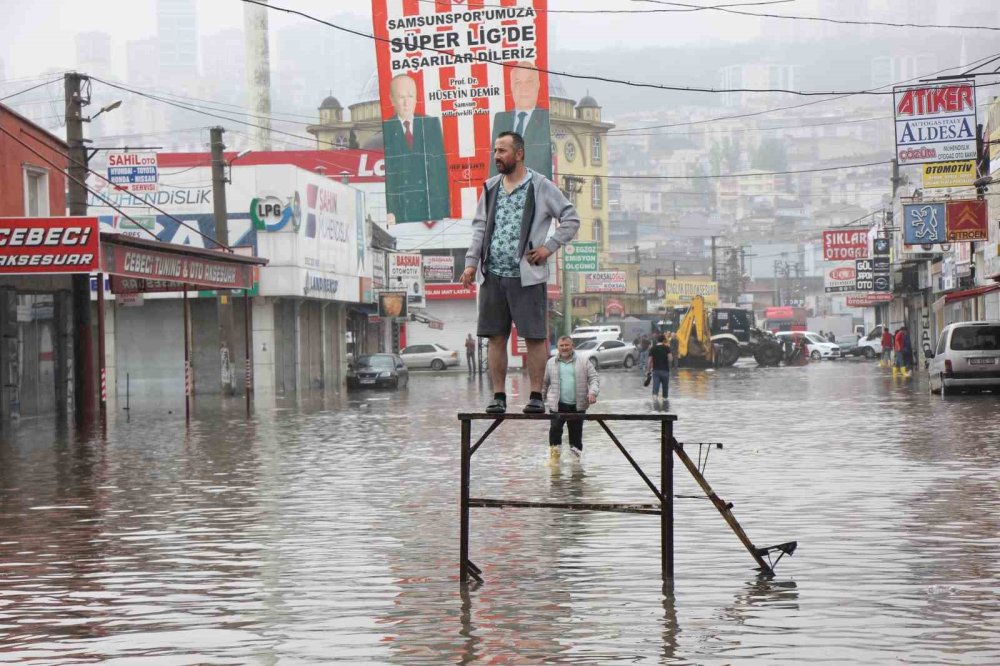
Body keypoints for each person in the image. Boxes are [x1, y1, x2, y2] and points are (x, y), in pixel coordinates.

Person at [460, 131, 581, 414]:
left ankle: (536, 396)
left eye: (502, 151)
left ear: (519, 154)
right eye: (495, 151)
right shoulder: (490, 187)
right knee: (495, 336)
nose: (497, 156)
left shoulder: (541, 186)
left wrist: (548, 248)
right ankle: (499, 396)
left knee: (534, 337)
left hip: (527, 276)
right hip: (493, 276)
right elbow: (479, 227)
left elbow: (571, 219)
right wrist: (470, 263)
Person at [382, 73, 450, 223]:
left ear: (417, 98)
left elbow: (441, 172)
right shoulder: (385, 129)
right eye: (401, 97)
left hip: (429, 210)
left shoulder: (430, 124)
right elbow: (388, 178)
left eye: (410, 96)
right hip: (401, 212)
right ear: (392, 100)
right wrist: (389, 210)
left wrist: (444, 211)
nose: (406, 103)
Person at [490, 63, 552, 178]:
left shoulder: (546, 118)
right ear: (511, 86)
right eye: (518, 82)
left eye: (529, 82)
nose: (524, 88)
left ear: (538, 85)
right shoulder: (500, 119)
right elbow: (494, 167)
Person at [543, 336, 599, 462]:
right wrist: (540, 402)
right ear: (557, 347)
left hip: (577, 406)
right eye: (561, 346)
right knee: (555, 432)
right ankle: (554, 461)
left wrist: (593, 392)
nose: (564, 348)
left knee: (576, 436)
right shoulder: (551, 362)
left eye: (566, 345)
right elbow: (544, 383)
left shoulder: (583, 361)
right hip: (557, 405)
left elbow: (594, 378)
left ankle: (576, 464)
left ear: (572, 346)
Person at [646, 333, 672, 402]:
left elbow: (649, 361)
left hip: (656, 371)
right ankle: (665, 403)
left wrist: (648, 371)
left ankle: (655, 404)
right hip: (665, 371)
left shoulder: (653, 348)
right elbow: (670, 359)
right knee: (665, 388)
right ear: (664, 341)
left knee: (655, 387)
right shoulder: (667, 348)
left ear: (657, 340)